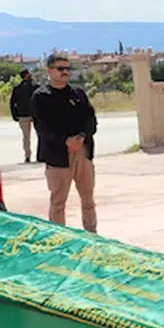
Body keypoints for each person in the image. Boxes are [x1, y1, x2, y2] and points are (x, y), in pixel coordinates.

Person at [32, 53, 98, 232]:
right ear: (49, 70)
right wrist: (65, 141)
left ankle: (92, 234)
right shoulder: (41, 96)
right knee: (58, 201)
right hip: (57, 156)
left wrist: (82, 137)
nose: (65, 72)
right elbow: (42, 128)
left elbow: (91, 120)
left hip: (82, 152)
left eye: (68, 69)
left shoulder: (78, 94)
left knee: (88, 198)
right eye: (60, 69)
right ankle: (59, 237)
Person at [9, 69, 37, 163]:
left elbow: (12, 102)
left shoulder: (17, 88)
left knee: (26, 137)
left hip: (22, 114)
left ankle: (27, 156)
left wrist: (14, 115)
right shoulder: (35, 86)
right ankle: (41, 154)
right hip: (35, 114)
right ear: (27, 75)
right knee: (40, 134)